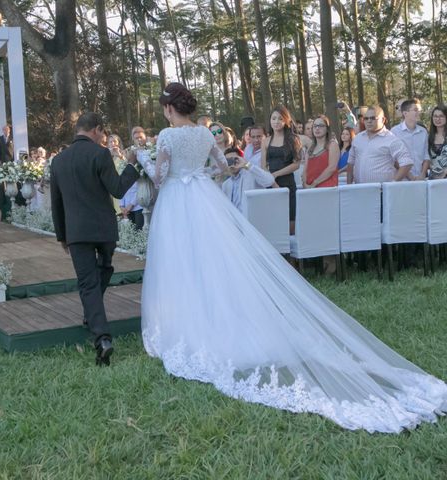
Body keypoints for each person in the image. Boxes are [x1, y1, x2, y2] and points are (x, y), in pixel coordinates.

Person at [135, 82, 447, 433]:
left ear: (167, 109)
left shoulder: (166, 137)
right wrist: (198, 174)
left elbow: (160, 178)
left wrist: (142, 158)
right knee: (219, 263)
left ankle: (191, 326)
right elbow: (221, 169)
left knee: (183, 265)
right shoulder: (205, 136)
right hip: (206, 201)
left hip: (178, 203)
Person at [50, 112, 140, 366]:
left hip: (77, 232)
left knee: (88, 283)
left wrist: (61, 236)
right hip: (104, 230)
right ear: (96, 130)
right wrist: (131, 165)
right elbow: (118, 188)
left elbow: (56, 203)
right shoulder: (100, 155)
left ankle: (100, 334)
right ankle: (99, 328)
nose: (103, 137)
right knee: (105, 268)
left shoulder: (58, 161)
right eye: (102, 133)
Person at [347, 105, 414, 184]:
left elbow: (407, 163)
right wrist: (349, 185)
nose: (369, 121)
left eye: (373, 118)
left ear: (383, 119)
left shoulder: (391, 139)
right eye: (366, 118)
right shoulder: (358, 138)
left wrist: (392, 184)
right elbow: (350, 162)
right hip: (359, 190)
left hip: (382, 193)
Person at [261, 106, 302, 231]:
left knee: (291, 219)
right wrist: (272, 181)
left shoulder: (294, 139)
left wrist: (276, 174)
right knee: (274, 219)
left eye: (280, 119)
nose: (276, 122)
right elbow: (263, 166)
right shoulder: (266, 141)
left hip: (288, 183)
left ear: (286, 121)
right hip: (271, 184)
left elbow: (297, 164)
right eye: (273, 118)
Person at [391, 99, 430, 180]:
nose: (419, 112)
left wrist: (422, 174)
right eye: (416, 110)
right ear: (405, 113)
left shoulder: (423, 132)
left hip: (420, 179)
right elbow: (393, 159)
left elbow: (426, 156)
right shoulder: (394, 132)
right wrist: (410, 176)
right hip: (402, 180)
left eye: (419, 110)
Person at [302, 115, 339, 188]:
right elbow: (305, 170)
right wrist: (304, 183)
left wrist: (315, 183)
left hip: (327, 188)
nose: (317, 128)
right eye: (315, 126)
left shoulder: (332, 145)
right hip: (310, 188)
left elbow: (332, 168)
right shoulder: (310, 148)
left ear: (327, 129)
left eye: (321, 126)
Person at [428, 104, 447, 179]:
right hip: (433, 179)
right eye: (435, 116)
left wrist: (444, 173)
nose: (438, 119)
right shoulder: (428, 137)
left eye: (441, 116)